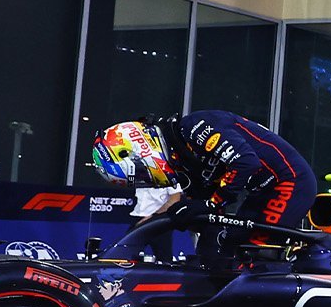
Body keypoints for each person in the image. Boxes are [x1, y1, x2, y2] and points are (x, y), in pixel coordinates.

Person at [92, 111, 313, 264]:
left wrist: (210, 204)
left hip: (291, 181)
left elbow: (246, 162)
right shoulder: (183, 159)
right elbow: (207, 214)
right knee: (226, 249)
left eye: (141, 173)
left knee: (253, 254)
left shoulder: (195, 127)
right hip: (263, 191)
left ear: (141, 149)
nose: (145, 180)